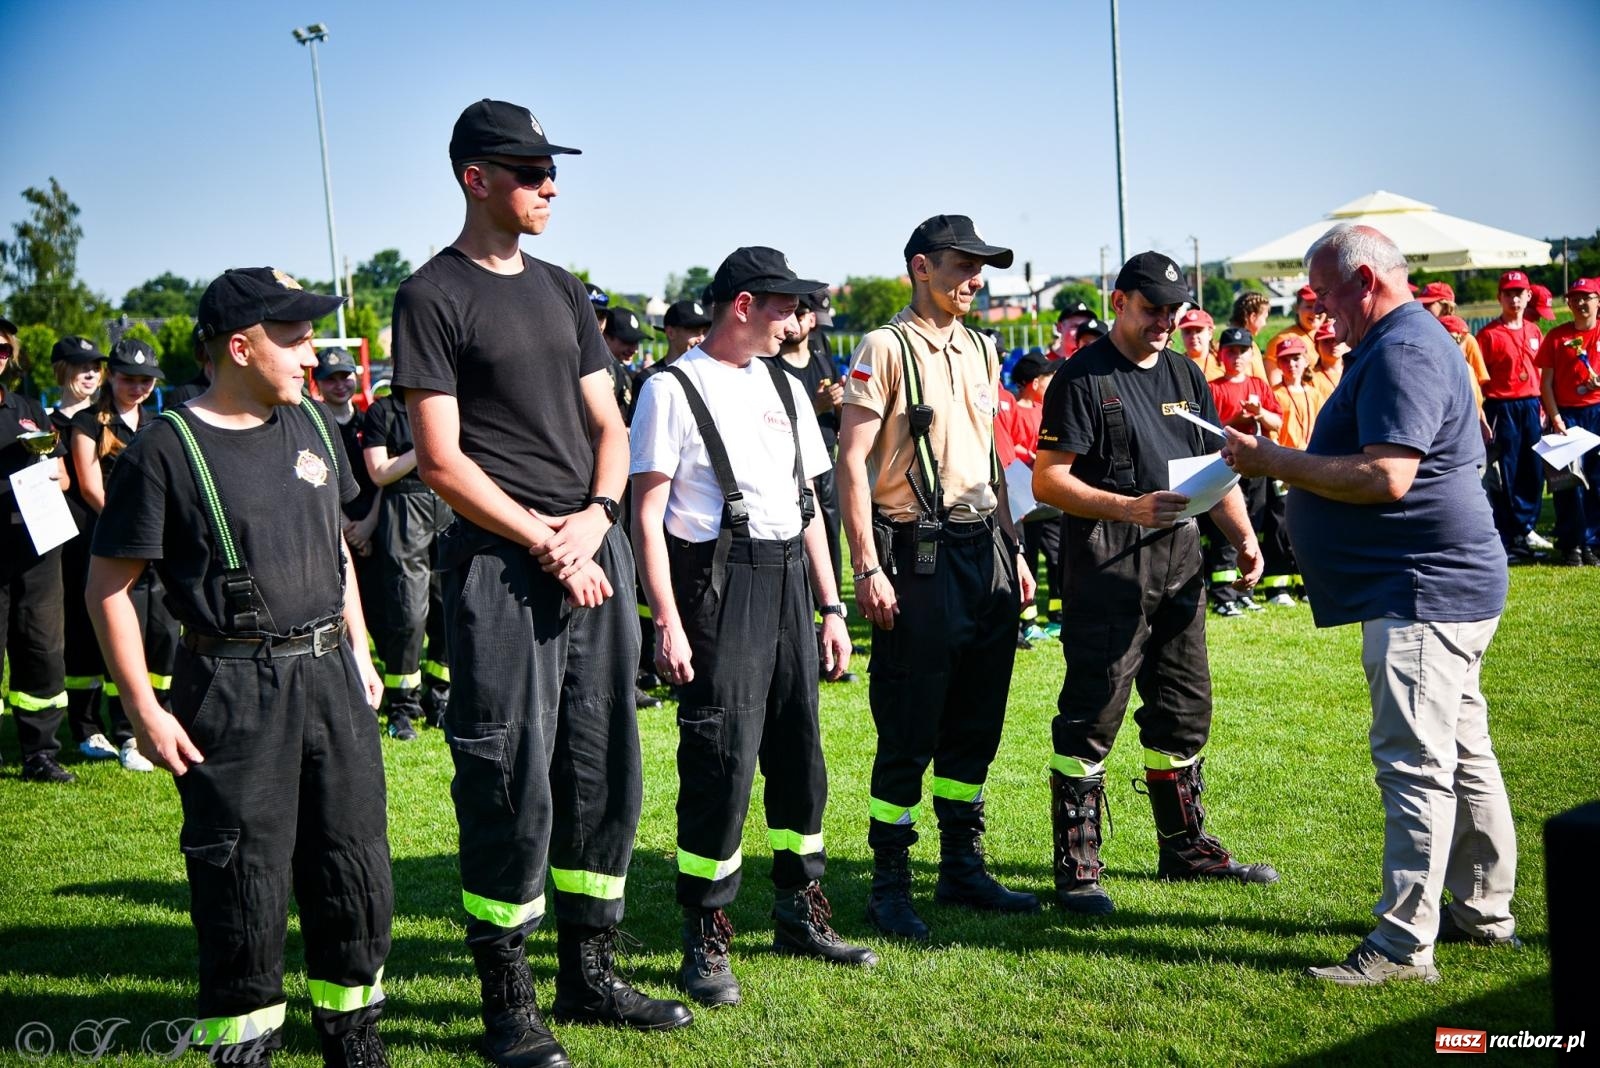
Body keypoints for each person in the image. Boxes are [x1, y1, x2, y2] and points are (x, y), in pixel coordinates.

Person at [390, 98, 691, 1068]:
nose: (548, 183)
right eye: (526, 170)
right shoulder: (430, 296)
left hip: (588, 551)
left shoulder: (565, 291)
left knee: (601, 771)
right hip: (497, 568)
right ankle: (508, 1000)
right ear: (474, 178)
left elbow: (610, 426)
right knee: (507, 779)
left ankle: (589, 975)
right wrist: (540, 538)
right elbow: (439, 461)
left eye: (550, 168)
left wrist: (596, 521)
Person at [86, 267, 393, 1063]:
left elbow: (336, 549)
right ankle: (242, 1041)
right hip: (232, 690)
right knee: (242, 881)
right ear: (239, 346)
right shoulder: (165, 448)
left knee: (354, 867)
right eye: (291, 339)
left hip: (330, 678)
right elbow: (108, 590)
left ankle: (352, 1035)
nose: (310, 353)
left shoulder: (319, 429)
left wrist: (358, 648)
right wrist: (144, 711)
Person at [1221, 223, 1518, 985]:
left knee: (1416, 765)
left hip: (1421, 588)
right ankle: (1483, 912)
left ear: (1364, 280)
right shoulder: (1405, 342)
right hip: (1439, 583)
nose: (1316, 312)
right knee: (1464, 754)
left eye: (1322, 294)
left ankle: (1402, 947)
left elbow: (1387, 476)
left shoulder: (1405, 349)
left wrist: (1272, 461)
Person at [631, 246, 875, 1008]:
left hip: (787, 587)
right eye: (784, 306)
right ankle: (705, 935)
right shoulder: (670, 389)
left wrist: (831, 608)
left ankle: (800, 910)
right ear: (743, 304)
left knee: (801, 754)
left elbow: (808, 507)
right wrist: (666, 621)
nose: (796, 320)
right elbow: (646, 517)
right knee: (721, 761)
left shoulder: (785, 384)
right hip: (717, 587)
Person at [1032, 250, 1278, 916]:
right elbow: (1046, 479)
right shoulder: (1080, 379)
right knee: (1092, 713)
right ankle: (1078, 867)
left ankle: (1185, 848)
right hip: (1108, 559)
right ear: (1119, 303)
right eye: (1152, 310)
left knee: (1183, 708)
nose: (1165, 322)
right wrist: (1127, 507)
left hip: (1181, 557)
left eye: (1174, 310)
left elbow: (1211, 469)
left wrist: (1245, 537)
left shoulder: (1185, 373)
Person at [836, 214, 1040, 941]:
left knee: (976, 718)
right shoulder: (882, 347)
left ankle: (962, 864)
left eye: (981, 266)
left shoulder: (985, 349)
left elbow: (989, 460)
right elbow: (851, 464)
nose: (975, 278)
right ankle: (889, 883)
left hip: (983, 545)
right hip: (913, 555)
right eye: (961, 265)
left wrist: (1012, 549)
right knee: (909, 722)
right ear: (921, 267)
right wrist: (866, 565)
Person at [68, 338, 173, 773]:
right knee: (118, 636)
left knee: (162, 633)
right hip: (110, 543)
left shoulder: (159, 422)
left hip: (158, 546)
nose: (138, 387)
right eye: (130, 378)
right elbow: (92, 487)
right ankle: (127, 733)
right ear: (112, 375)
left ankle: (162, 714)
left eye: (146, 380)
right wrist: (134, 531)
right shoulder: (88, 422)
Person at [768, 289, 855, 680]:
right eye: (793, 314)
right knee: (796, 553)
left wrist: (837, 406)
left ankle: (830, 631)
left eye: (803, 315)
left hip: (824, 464)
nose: (797, 323)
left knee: (828, 550)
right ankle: (805, 642)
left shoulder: (821, 358)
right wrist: (815, 405)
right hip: (788, 470)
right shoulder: (769, 365)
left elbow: (838, 421)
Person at [1, 318, 73, 783]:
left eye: (3, 348)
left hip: (36, 548)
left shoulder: (29, 409)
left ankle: (40, 753)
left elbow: (63, 476)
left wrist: (49, 477)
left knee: (42, 649)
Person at [362, 380, 453, 739]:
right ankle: (402, 706)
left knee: (449, 607)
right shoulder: (382, 411)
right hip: (404, 507)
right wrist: (425, 446)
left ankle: (441, 698)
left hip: (446, 504)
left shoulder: (445, 401)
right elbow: (379, 472)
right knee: (409, 612)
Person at [49, 337, 113, 762]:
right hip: (69, 540)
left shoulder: (110, 419)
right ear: (60, 370)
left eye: (96, 366)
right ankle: (86, 727)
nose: (90, 373)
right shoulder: (44, 421)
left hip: (109, 537)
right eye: (80, 366)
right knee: (80, 634)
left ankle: (126, 723)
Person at [315, 350, 386, 657]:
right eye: (330, 379)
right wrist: (346, 527)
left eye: (345, 376)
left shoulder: (371, 420)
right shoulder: (313, 425)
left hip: (376, 524)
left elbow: (386, 476)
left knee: (386, 612)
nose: (340, 384)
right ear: (316, 383)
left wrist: (369, 525)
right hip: (335, 529)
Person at [1476, 270, 1549, 559]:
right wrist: (1482, 417)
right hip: (1502, 407)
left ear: (1528, 296)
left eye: (1520, 293)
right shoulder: (1488, 335)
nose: (1514, 299)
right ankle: (1509, 535)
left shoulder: (1534, 331)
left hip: (1531, 405)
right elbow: (1479, 381)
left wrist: (1544, 405)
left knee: (1532, 469)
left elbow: (1541, 371)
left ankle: (1527, 528)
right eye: (1509, 293)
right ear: (1500, 297)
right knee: (1506, 472)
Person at [1535, 278, 1600, 565]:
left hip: (1597, 412)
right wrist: (1555, 416)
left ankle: (1594, 542)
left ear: (1598, 300)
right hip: (1568, 417)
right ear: (1568, 303)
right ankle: (1570, 543)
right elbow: (1545, 383)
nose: (1581, 303)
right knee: (1569, 483)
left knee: (1597, 481)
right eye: (1575, 298)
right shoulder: (1557, 336)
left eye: (1587, 297)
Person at [1002, 351, 1063, 638]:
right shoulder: (1014, 407)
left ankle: (1057, 614)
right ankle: (1028, 620)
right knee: (1028, 555)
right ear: (1035, 382)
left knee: (1055, 556)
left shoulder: (1047, 408)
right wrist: (1029, 454)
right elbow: (1009, 445)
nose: (1052, 382)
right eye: (1048, 377)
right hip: (1025, 495)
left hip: (1047, 495)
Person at [1262, 333, 1324, 604]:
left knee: (1308, 526)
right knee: (1280, 526)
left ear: (1305, 360)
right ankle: (1277, 587)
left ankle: (1305, 583)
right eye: (1285, 360)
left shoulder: (1315, 392)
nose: (1291, 365)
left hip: (1310, 466)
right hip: (1284, 467)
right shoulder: (1275, 395)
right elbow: (1270, 432)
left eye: (1296, 358)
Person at [1262, 285, 1324, 387]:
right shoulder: (1282, 340)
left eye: (1319, 306)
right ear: (1296, 308)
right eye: (1309, 306)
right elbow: (1276, 386)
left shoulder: (1332, 335)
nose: (1315, 312)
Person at [602, 305, 650, 423]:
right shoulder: (598, 373)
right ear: (606, 337)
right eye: (627, 341)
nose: (634, 349)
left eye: (636, 342)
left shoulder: (626, 372)